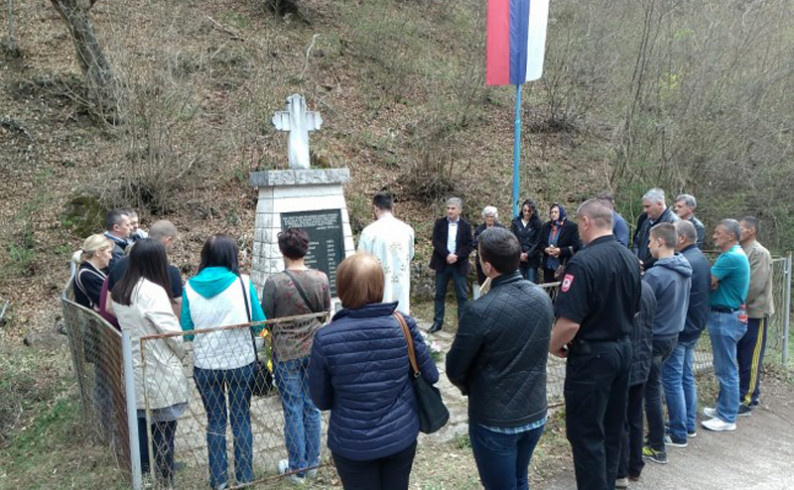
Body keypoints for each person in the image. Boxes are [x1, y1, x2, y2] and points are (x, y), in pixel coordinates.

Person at [309, 253, 439, 490]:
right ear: (380, 285)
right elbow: (431, 375)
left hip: (352, 442)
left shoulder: (325, 338)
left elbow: (321, 399)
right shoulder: (403, 324)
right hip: (400, 436)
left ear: (343, 287)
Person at [446, 227, 553, 490]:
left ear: (487, 265)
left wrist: (470, 386)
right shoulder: (542, 297)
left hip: (496, 421)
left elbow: (455, 369)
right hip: (535, 411)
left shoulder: (479, 311)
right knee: (519, 478)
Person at [549, 199, 641, 490]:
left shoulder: (583, 262)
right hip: (623, 349)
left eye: (579, 225)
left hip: (593, 358)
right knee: (612, 428)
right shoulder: (629, 258)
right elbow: (635, 309)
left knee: (586, 434)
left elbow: (569, 323)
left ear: (586, 222)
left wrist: (550, 346)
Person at [180, 234, 265, 489]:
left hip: (206, 365)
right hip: (240, 362)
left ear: (205, 256)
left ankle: (218, 480)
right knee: (241, 418)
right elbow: (260, 325)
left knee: (215, 421)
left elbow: (186, 330)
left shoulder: (188, 287)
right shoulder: (243, 283)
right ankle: (244, 477)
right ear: (232, 256)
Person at [112, 239, 189, 486]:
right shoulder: (152, 291)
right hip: (159, 367)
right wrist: (182, 352)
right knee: (165, 430)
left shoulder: (121, 289)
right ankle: (166, 480)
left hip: (134, 366)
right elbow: (171, 332)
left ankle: (143, 477)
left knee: (142, 427)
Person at [262, 228, 331, 485]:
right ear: (306, 248)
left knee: (292, 408)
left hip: (286, 352)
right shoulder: (321, 278)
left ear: (282, 251)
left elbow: (267, 316)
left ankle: (297, 467)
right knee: (311, 406)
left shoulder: (275, 282)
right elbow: (325, 311)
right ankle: (312, 461)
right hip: (314, 349)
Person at [640, 223, 692, 465]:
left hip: (655, 338)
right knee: (655, 387)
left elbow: (641, 309)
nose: (648, 245)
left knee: (650, 392)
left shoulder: (656, 275)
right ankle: (654, 439)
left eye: (650, 240)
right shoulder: (685, 268)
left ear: (660, 241)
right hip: (672, 336)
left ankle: (656, 445)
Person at [663, 220, 711, 447]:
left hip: (682, 328)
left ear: (681, 238)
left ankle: (678, 432)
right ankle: (687, 425)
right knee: (684, 376)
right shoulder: (700, 257)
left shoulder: (684, 261)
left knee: (673, 379)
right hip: (694, 326)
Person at [702, 219, 750, 432]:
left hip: (725, 317)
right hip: (730, 316)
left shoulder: (730, 257)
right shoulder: (735, 254)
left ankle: (727, 417)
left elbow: (708, 281)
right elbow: (713, 281)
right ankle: (724, 407)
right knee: (726, 365)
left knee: (726, 368)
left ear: (731, 236)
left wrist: (713, 282)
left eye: (718, 232)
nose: (714, 236)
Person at [616, 280, 655, 487]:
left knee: (619, 418)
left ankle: (621, 471)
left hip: (626, 361)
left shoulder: (623, 287)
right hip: (642, 359)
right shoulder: (647, 288)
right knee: (635, 415)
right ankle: (635, 466)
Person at [737, 216, 774, 415]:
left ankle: (748, 398)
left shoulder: (760, 253)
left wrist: (733, 300)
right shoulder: (740, 250)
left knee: (750, 358)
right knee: (739, 355)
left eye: (741, 228)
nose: (737, 230)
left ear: (751, 230)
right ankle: (740, 393)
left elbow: (754, 286)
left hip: (755, 313)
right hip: (740, 313)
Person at [108, 220, 183, 316]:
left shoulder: (119, 264)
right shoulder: (170, 272)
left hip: (125, 327)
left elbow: (109, 306)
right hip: (161, 328)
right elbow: (177, 312)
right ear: (168, 241)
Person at [358, 191, 415, 315]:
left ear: (375, 208)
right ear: (392, 208)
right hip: (401, 283)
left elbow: (361, 263)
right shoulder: (407, 230)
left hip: (377, 288)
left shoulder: (369, 232)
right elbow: (410, 256)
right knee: (401, 320)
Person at [428, 197, 473, 333]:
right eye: (448, 208)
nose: (450, 211)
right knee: (439, 294)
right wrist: (447, 254)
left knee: (462, 296)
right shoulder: (440, 223)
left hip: (458, 265)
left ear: (459, 210)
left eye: (453, 208)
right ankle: (437, 322)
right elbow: (435, 241)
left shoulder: (466, 226)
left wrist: (457, 256)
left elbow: (469, 245)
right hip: (442, 262)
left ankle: (463, 326)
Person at [633, 188, 678, 269]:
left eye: (647, 206)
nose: (645, 210)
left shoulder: (673, 223)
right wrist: (636, 260)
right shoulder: (645, 220)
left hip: (659, 270)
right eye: (644, 207)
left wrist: (645, 265)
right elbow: (637, 242)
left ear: (659, 204)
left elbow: (670, 252)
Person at [539, 203, 581, 284]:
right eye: (551, 212)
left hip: (563, 265)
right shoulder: (546, 226)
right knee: (549, 291)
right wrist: (545, 249)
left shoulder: (571, 227)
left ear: (561, 212)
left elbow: (576, 246)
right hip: (548, 265)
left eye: (556, 212)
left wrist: (560, 250)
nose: (553, 214)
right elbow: (540, 243)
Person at [72, 234, 113, 310]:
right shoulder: (87, 276)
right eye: (109, 252)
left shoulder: (95, 269)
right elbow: (107, 304)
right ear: (98, 253)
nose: (111, 257)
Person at [510, 199, 543, 283]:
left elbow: (538, 242)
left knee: (531, 283)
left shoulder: (537, 224)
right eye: (525, 210)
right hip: (518, 257)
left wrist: (528, 254)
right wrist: (520, 253)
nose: (527, 213)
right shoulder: (516, 222)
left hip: (532, 258)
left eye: (529, 211)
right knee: (519, 283)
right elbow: (513, 239)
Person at [473, 206, 505, 288]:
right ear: (484, 217)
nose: (489, 219)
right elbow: (474, 243)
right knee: (483, 286)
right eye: (487, 216)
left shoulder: (501, 228)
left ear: (495, 217)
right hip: (482, 262)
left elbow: (504, 243)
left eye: (492, 216)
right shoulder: (479, 229)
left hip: (497, 262)